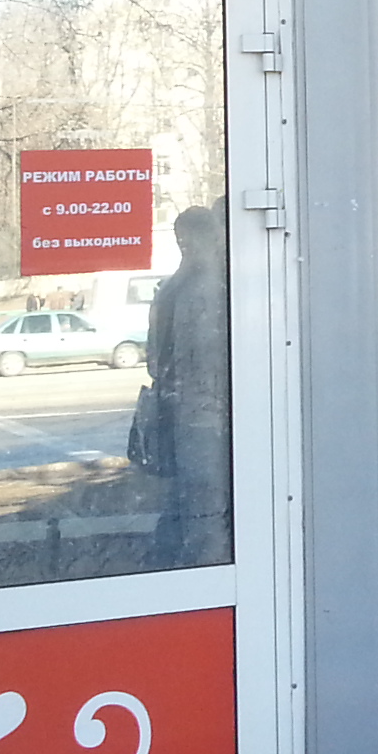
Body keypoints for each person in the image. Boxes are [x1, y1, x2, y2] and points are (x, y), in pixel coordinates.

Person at [145, 205, 232, 569]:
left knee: (195, 499)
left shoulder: (178, 288)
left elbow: (155, 360)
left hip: (192, 412)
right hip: (203, 414)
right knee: (205, 502)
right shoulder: (207, 290)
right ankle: (202, 566)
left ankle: (186, 562)